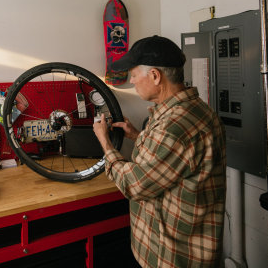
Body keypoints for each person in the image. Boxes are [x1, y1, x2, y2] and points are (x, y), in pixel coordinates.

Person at [93, 35, 226, 268]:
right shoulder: (195, 110)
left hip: (171, 258)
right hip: (177, 250)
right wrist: (136, 135)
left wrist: (105, 143)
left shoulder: (175, 127)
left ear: (155, 76)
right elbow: (173, 159)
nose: (132, 81)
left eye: (133, 75)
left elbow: (134, 185)